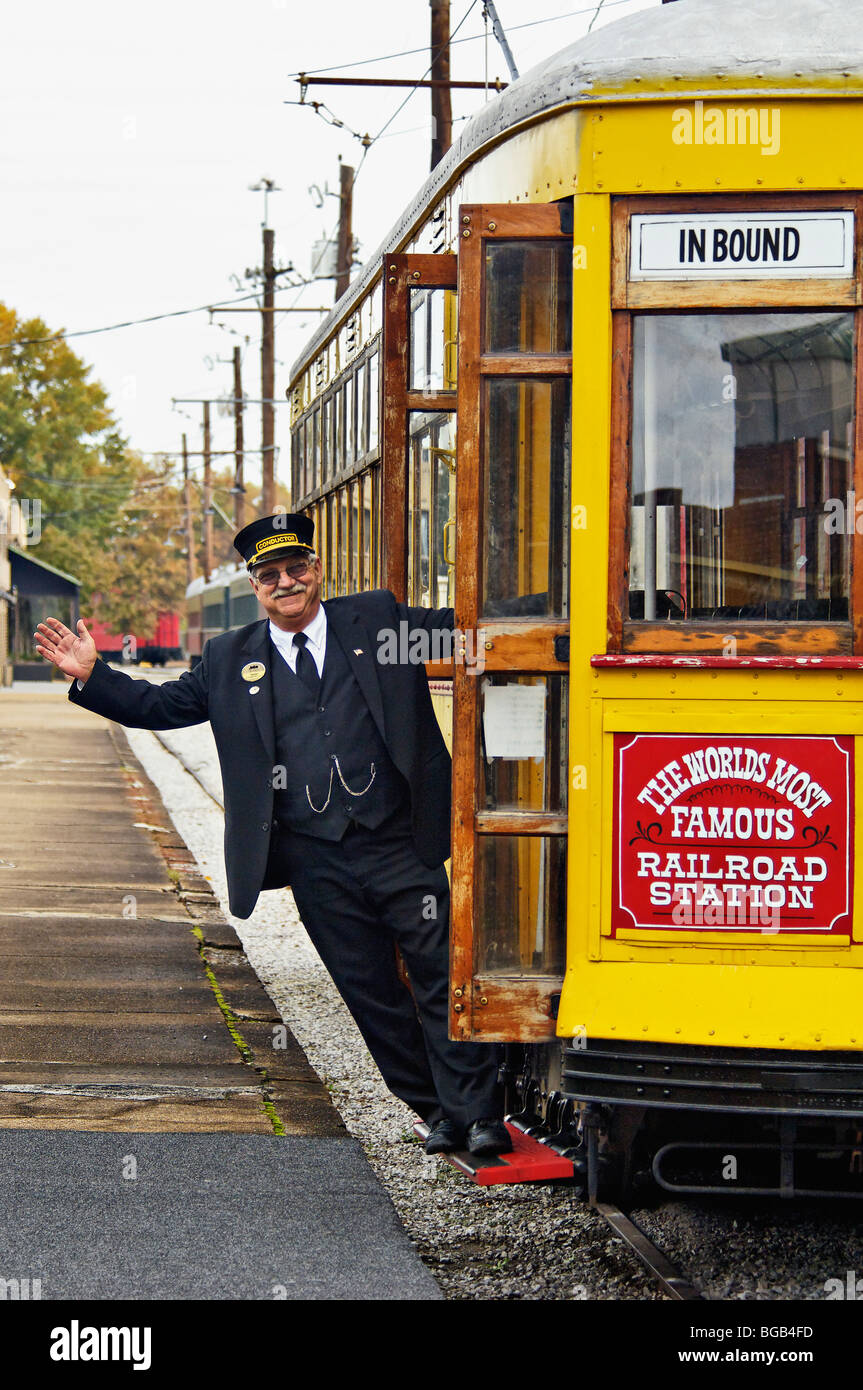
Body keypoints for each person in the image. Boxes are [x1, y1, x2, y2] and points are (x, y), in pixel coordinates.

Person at [35, 512, 511, 1158]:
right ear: (257, 589)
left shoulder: (377, 620)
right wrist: (92, 674)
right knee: (368, 990)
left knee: (438, 974)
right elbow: (161, 707)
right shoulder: (231, 657)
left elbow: (468, 629)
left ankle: (478, 1114)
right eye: (270, 576)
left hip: (398, 840)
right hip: (314, 857)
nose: (285, 582)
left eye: (295, 569)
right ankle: (434, 1109)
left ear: (316, 570)